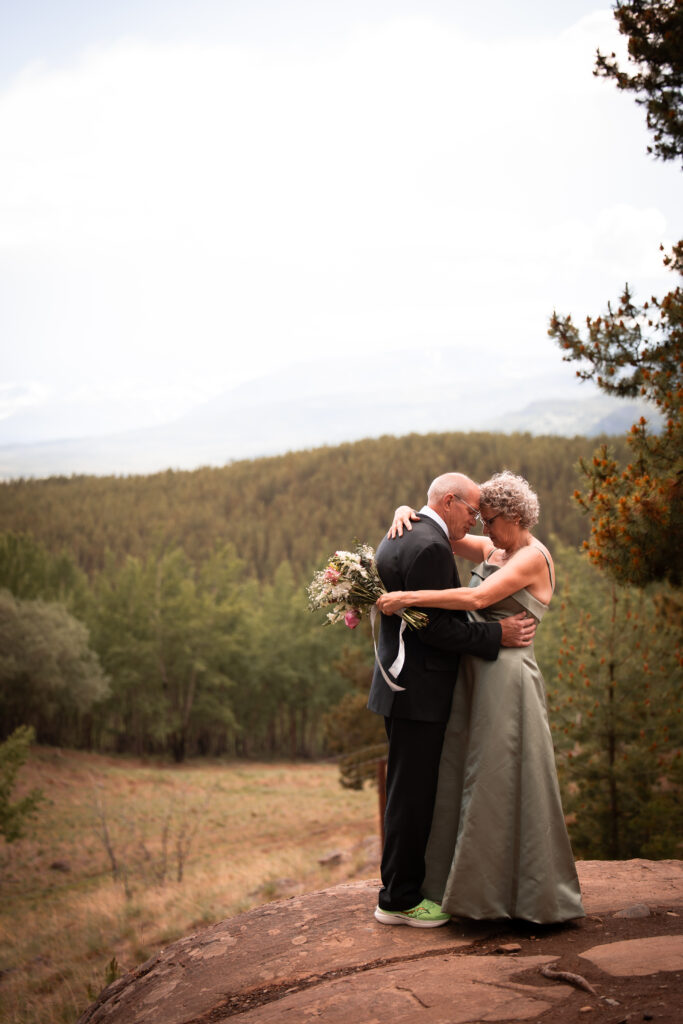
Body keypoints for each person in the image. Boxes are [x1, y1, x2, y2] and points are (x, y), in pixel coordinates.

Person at [377, 471, 584, 924]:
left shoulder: (531, 557)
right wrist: (404, 512)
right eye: (479, 518)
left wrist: (406, 597)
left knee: (502, 779)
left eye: (488, 520)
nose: (480, 529)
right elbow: (441, 535)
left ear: (512, 516)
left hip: (508, 679)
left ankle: (519, 894)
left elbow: (477, 598)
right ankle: (469, 888)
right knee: (466, 781)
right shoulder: (498, 548)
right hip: (476, 677)